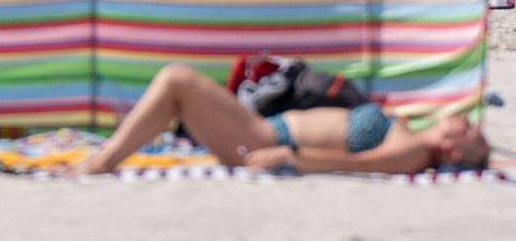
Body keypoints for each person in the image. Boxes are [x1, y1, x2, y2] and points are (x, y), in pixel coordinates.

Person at [70, 63, 489, 176]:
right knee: (177, 87)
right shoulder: (410, 136)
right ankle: (108, 157)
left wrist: (290, 156)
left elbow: (356, 165)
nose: (467, 122)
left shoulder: (414, 152)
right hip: (261, 134)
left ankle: (103, 163)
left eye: (470, 133)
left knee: (176, 81)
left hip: (259, 142)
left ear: (453, 150)